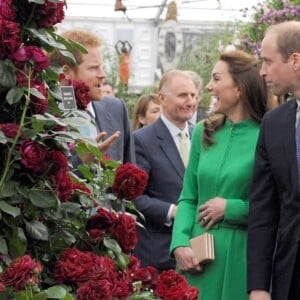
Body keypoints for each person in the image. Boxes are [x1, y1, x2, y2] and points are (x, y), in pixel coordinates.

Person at [170, 50, 267, 300]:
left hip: (243, 261)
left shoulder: (269, 134)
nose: (210, 87)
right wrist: (180, 243)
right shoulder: (204, 131)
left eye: (216, 79)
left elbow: (278, 204)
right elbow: (189, 196)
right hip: (197, 261)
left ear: (240, 88)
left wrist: (232, 208)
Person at [247, 21, 300, 300]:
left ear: (295, 60)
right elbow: (263, 210)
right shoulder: (274, 123)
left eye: (268, 61)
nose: (263, 71)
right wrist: (258, 286)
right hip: (290, 278)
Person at [133, 70, 197, 271]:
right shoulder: (142, 140)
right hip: (160, 255)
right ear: (162, 98)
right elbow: (134, 198)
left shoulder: (203, 137)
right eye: (182, 95)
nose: (190, 102)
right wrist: (172, 212)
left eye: (193, 95)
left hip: (200, 251)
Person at [48, 29, 135, 165]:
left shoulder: (117, 109)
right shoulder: (45, 116)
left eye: (102, 67)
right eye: (94, 68)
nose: (103, 74)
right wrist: (81, 161)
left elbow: (129, 169)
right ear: (66, 72)